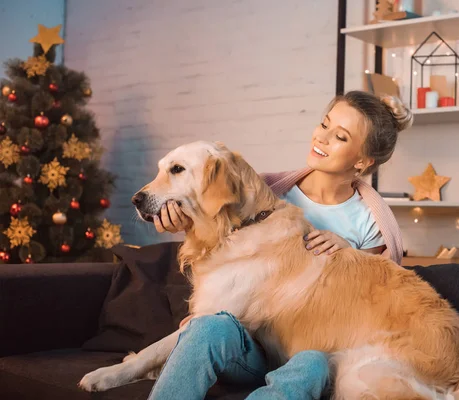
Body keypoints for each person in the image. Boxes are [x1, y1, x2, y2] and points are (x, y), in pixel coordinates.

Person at [148, 91, 413, 399]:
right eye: (324, 124)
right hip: (249, 345)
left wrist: (349, 253)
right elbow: (217, 245)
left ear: (363, 160)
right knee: (207, 328)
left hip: (313, 351)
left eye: (339, 136)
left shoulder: (370, 221)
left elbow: (376, 296)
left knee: (312, 362)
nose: (321, 138)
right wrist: (183, 223)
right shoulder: (265, 194)